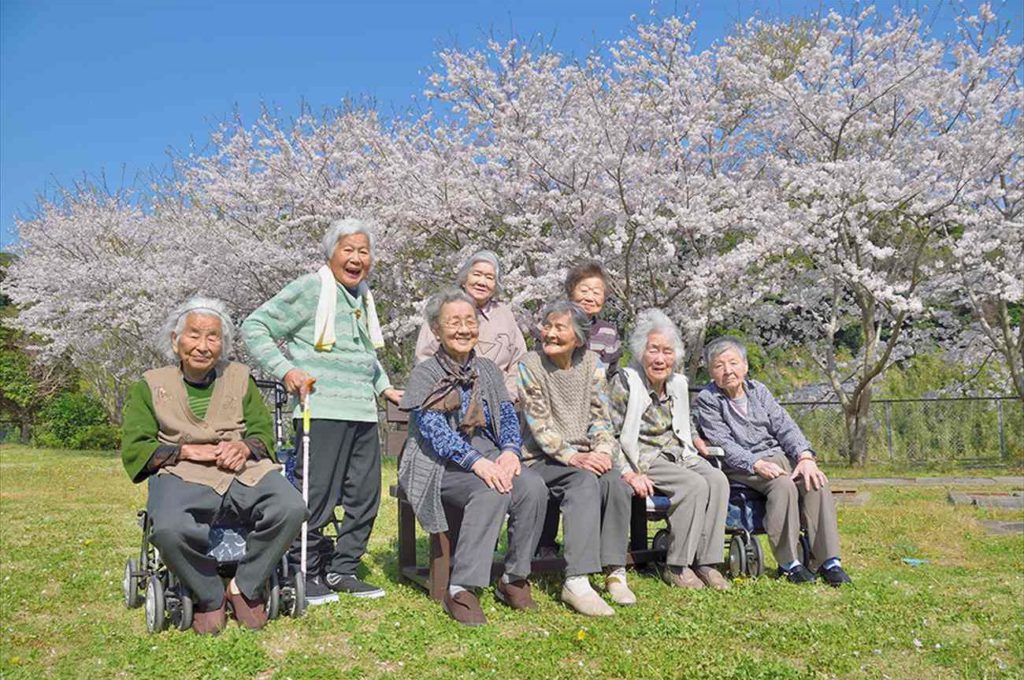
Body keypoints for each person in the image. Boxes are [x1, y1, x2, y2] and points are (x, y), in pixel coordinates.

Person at [121, 297, 307, 635]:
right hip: (180, 469)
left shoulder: (240, 377)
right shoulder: (150, 385)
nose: (203, 346)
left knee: (291, 507)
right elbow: (137, 446)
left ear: (223, 345)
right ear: (175, 340)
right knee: (167, 529)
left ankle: (243, 586)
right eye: (194, 335)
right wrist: (188, 451)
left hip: (241, 468)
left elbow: (261, 430)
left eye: (213, 337)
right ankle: (208, 593)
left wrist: (244, 446)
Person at [242, 218, 402, 605]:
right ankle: (305, 568)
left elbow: (365, 355)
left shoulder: (363, 297)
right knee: (317, 495)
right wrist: (287, 370)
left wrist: (385, 388)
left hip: (362, 410)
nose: (357, 258)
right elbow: (255, 325)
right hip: (321, 408)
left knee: (365, 495)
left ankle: (342, 568)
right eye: (348, 249)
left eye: (364, 251)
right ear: (330, 253)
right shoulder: (312, 288)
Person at [398, 289, 547, 626]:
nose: (464, 329)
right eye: (454, 322)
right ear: (436, 330)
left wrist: (510, 452)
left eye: (470, 321)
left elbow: (507, 415)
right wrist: (478, 464)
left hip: (489, 453)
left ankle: (513, 579)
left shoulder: (488, 370)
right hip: (438, 464)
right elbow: (436, 434)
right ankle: (461, 588)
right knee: (491, 490)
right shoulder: (426, 374)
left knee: (532, 486)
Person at [694, 336, 852, 587]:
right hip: (741, 465)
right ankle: (789, 563)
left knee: (815, 481)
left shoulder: (759, 391)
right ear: (711, 372)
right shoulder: (708, 399)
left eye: (733, 363)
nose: (727, 371)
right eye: (719, 366)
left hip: (779, 456)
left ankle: (829, 562)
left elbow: (785, 426)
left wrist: (805, 456)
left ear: (745, 366)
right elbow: (723, 442)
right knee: (783, 486)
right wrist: (755, 463)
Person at [518, 300, 634, 616]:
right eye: (547, 326)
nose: (550, 333)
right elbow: (539, 424)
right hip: (540, 459)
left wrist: (601, 450)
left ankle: (614, 571)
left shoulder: (593, 364)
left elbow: (601, 417)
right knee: (582, 481)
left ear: (579, 338)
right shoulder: (530, 365)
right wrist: (572, 456)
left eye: (559, 327)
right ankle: (577, 581)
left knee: (615, 482)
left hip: (583, 456)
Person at [608, 310, 730, 590]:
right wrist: (627, 472)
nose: (660, 358)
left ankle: (707, 562)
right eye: (654, 350)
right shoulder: (625, 381)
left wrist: (697, 440)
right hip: (643, 455)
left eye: (667, 351)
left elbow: (684, 420)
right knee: (695, 485)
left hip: (680, 450)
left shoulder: (677, 383)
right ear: (641, 353)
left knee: (718, 480)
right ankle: (676, 566)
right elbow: (609, 432)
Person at [414, 250, 527, 400]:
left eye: (489, 277)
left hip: (499, 400)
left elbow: (520, 361)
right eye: (476, 274)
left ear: (496, 285)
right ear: (464, 278)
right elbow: (424, 356)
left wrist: (508, 394)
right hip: (450, 399)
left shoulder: (505, 314)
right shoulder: (444, 307)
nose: (482, 282)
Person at [564, 260, 622, 378]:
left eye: (596, 293)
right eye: (584, 291)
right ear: (571, 293)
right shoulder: (554, 325)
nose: (590, 298)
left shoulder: (608, 332)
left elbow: (612, 375)